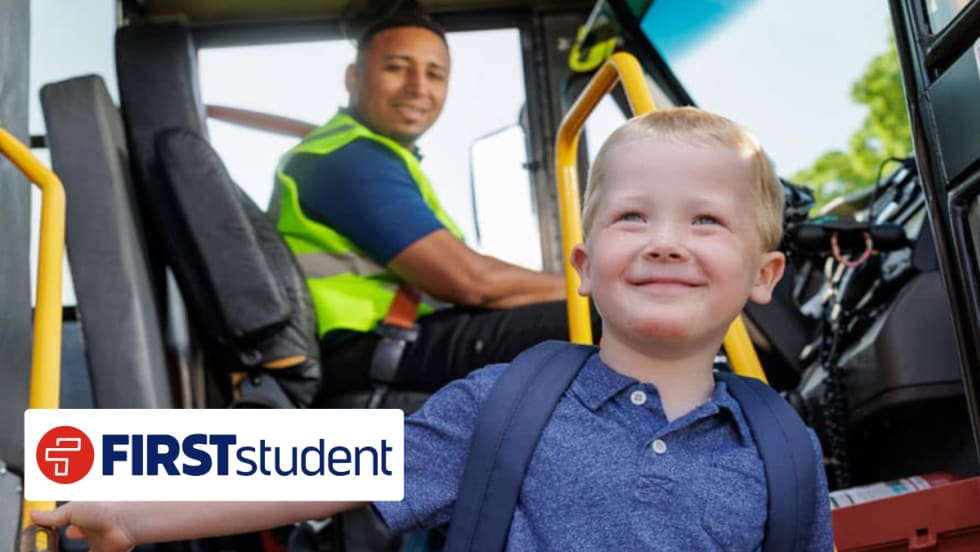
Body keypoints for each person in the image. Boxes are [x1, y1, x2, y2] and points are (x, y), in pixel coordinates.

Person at [33, 108, 833, 550]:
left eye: (706, 220)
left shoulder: (785, 451)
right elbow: (313, 467)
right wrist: (125, 507)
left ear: (765, 276)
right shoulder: (505, 403)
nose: (666, 241)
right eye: (634, 217)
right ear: (582, 267)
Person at [274, 11, 593, 396]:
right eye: (396, 68)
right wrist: (597, 284)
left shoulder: (377, 156)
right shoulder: (344, 159)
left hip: (403, 340)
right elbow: (472, 282)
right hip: (380, 350)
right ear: (353, 78)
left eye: (435, 74)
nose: (417, 87)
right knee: (610, 317)